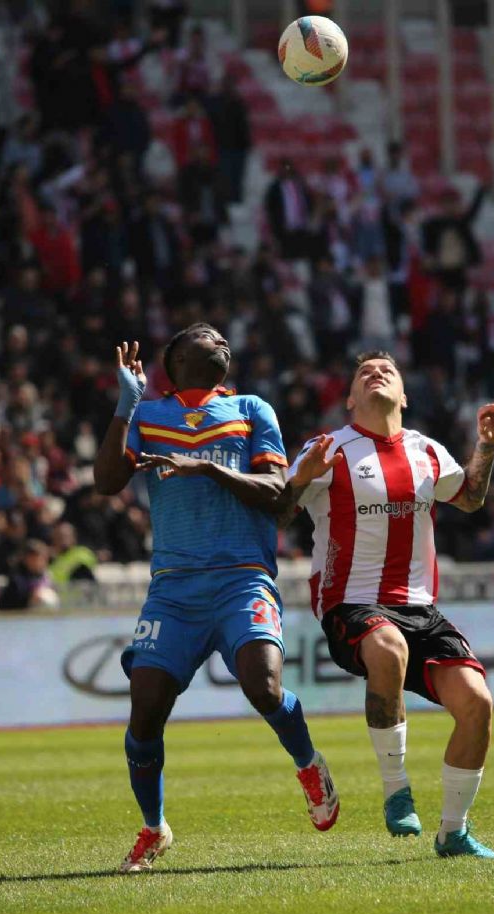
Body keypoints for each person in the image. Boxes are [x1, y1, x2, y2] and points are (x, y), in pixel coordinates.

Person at [93, 324, 339, 875]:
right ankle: (154, 828)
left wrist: (207, 466)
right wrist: (124, 406)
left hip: (242, 577)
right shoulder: (149, 415)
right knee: (145, 708)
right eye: (207, 336)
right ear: (176, 358)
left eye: (225, 338)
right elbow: (107, 480)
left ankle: (308, 764)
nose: (222, 341)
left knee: (264, 684)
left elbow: (278, 493)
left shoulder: (252, 408)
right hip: (175, 587)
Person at [277, 350, 494, 859]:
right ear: (350, 399)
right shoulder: (328, 450)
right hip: (350, 602)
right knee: (387, 647)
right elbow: (274, 518)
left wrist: (486, 446)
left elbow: (468, 498)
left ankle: (454, 832)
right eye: (363, 372)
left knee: (477, 703)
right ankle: (396, 788)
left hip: (421, 608)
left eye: (387, 370)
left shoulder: (426, 451)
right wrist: (298, 480)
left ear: (403, 396)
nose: (375, 373)